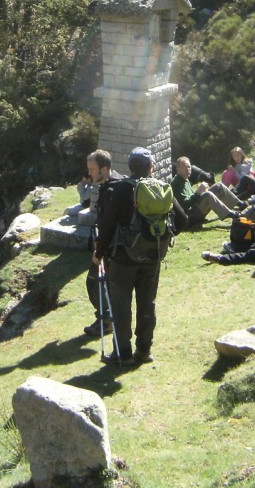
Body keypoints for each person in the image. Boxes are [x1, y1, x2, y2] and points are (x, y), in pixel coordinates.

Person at [93, 147, 170, 366]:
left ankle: (123, 354)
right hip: (152, 257)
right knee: (147, 303)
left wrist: (99, 252)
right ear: (151, 167)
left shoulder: (121, 189)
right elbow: (181, 220)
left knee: (121, 306)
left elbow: (106, 224)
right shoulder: (160, 190)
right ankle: (144, 351)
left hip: (123, 258)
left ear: (129, 167)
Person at [81, 149, 123, 336]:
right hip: (119, 245)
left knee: (94, 282)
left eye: (92, 169)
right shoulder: (118, 182)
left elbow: (108, 224)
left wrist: (99, 252)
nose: (89, 173)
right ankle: (107, 319)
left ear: (104, 169)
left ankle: (106, 321)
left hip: (112, 247)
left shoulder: (112, 189)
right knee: (105, 283)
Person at [171, 156, 242, 228]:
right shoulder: (176, 183)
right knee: (207, 195)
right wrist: (198, 193)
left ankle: (240, 204)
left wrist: (200, 192)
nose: (188, 169)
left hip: (194, 210)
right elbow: (184, 206)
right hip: (188, 217)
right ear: (178, 169)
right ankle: (232, 215)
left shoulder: (186, 179)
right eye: (184, 167)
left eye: (189, 167)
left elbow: (192, 198)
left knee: (218, 186)